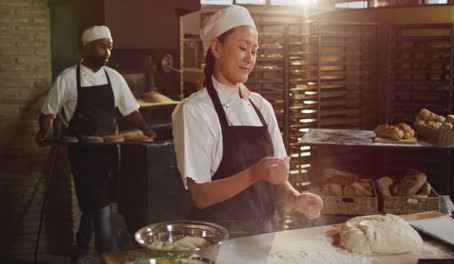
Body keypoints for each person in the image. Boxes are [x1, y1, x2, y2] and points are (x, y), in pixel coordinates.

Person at [172, 5, 323, 238]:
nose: (249, 59)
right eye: (242, 48)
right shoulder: (195, 111)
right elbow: (201, 196)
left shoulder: (261, 107)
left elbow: (275, 178)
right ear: (216, 48)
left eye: (254, 51)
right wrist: (254, 173)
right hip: (219, 240)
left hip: (264, 235)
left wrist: (295, 198)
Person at [35, 25, 157, 261]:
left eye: (110, 47)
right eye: (103, 46)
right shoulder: (68, 78)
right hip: (83, 155)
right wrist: (43, 132)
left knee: (95, 205)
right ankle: (108, 253)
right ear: (88, 47)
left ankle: (79, 252)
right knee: (100, 206)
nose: (107, 52)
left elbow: (130, 109)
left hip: (109, 153)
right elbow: (48, 112)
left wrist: (147, 129)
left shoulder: (114, 78)